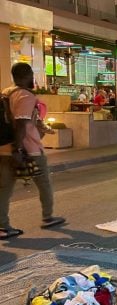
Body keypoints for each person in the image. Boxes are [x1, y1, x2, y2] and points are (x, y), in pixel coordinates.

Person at [1, 63, 65, 235]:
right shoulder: (25, 95)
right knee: (44, 183)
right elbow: (22, 124)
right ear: (27, 75)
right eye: (31, 74)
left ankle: (2, 226)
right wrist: (18, 149)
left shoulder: (5, 93)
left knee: (4, 188)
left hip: (3, 148)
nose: (32, 78)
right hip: (29, 150)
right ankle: (48, 217)